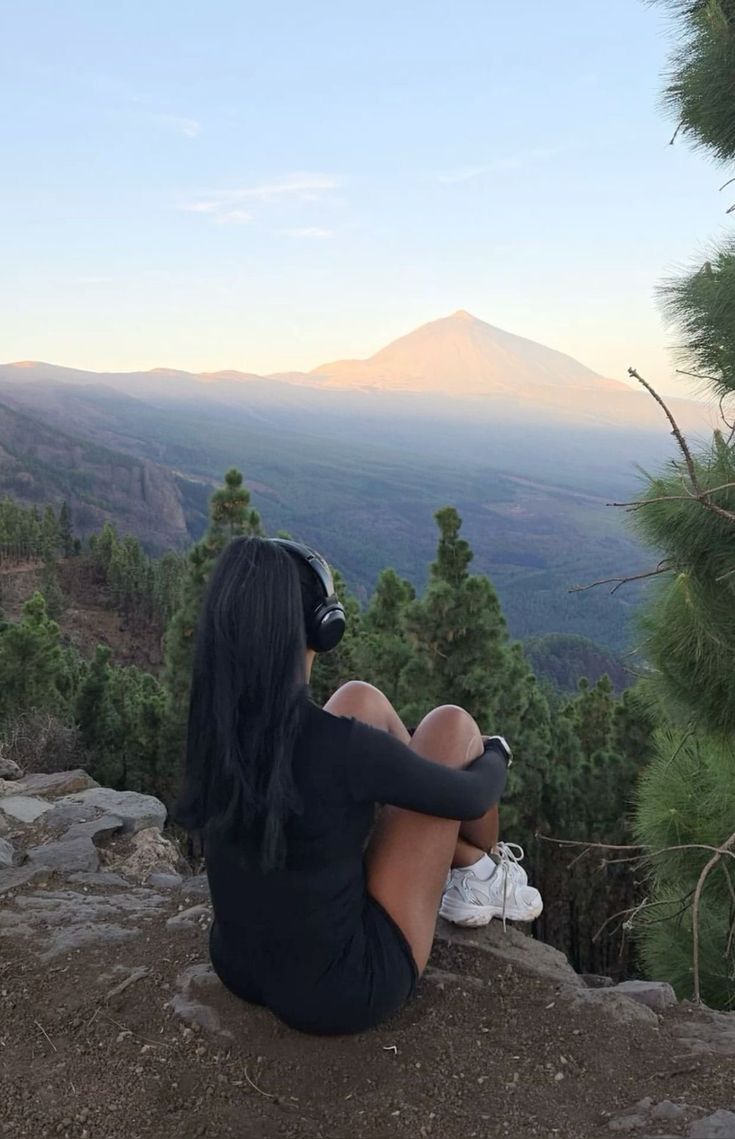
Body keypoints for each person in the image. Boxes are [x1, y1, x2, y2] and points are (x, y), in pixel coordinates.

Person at [177, 536, 543, 1037]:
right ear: (322, 628)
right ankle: (480, 873)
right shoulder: (340, 749)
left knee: (358, 697)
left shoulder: (215, 725)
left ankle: (468, 867)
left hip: (238, 965)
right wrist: (497, 750)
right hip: (343, 990)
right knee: (453, 725)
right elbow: (472, 797)